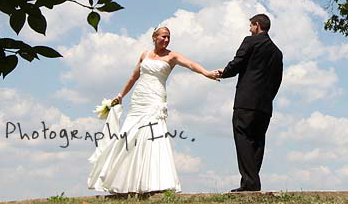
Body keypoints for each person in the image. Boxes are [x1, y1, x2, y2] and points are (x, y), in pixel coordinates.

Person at [88, 25, 218, 194]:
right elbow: (133, 77)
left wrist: (206, 73)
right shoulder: (144, 55)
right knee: (131, 136)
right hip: (139, 100)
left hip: (155, 99)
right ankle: (127, 184)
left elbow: (191, 64)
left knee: (153, 136)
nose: (166, 40)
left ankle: (155, 183)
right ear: (154, 37)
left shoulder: (172, 56)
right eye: (163, 36)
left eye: (168, 37)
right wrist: (121, 95)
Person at [216, 13, 283, 192]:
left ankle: (251, 182)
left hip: (246, 100)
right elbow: (277, 80)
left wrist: (222, 73)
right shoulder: (277, 52)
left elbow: (238, 63)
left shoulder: (250, 41)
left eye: (251, 26)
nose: (249, 29)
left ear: (257, 25)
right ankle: (249, 183)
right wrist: (268, 97)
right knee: (258, 141)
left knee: (242, 137)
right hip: (265, 105)